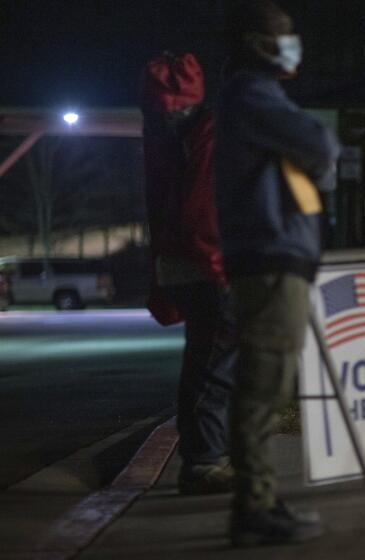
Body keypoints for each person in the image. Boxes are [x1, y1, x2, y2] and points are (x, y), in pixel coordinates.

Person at [214, 1, 340, 547]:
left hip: (274, 257)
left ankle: (260, 499)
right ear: (258, 45)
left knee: (269, 381)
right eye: (283, 37)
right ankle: (254, 506)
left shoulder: (251, 97)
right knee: (263, 383)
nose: (294, 46)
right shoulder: (250, 94)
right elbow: (319, 143)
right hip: (269, 259)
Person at [141, 52, 236, 495]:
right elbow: (204, 210)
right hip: (211, 267)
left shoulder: (160, 137)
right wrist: (220, 265)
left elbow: (162, 205)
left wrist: (160, 273)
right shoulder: (207, 132)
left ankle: (207, 455)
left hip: (182, 266)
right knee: (215, 365)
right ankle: (204, 461)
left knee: (205, 361)